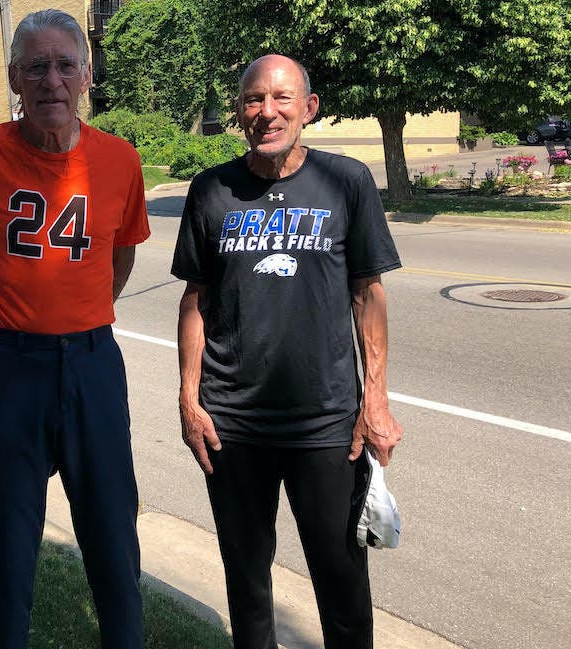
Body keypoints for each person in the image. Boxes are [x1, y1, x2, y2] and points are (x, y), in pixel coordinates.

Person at [0, 9, 150, 649]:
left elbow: (123, 254)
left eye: (64, 65)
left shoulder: (119, 160)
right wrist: (2, 322)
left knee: (113, 534)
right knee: (10, 541)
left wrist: (78, 317)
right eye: (36, 66)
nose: (51, 79)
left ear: (86, 74)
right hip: (8, 371)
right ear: (14, 78)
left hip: (92, 366)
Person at [172, 53, 403, 649]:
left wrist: (374, 399)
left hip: (326, 423)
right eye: (253, 100)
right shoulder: (210, 191)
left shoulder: (346, 182)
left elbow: (366, 293)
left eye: (280, 99)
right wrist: (189, 399)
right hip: (232, 425)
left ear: (308, 108)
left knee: (343, 586)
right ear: (240, 112)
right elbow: (196, 299)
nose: (266, 112)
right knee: (247, 587)